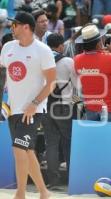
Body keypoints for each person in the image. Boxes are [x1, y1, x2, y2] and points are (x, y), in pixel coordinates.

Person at [1, 11, 56, 199]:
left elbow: (51, 83)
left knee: (18, 149)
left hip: (32, 110)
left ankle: (20, 194)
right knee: (28, 151)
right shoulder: (7, 46)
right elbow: (2, 75)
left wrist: (34, 104)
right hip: (13, 108)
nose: (11, 27)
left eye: (14, 24)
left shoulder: (43, 50)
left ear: (25, 26)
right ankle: (44, 192)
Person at [42, 33, 77, 190]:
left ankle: (52, 180)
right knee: (67, 141)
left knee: (51, 143)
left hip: (45, 105)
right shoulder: (68, 61)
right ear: (61, 45)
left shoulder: (42, 60)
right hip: (63, 106)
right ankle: (71, 179)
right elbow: (78, 85)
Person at [74, 24, 111, 121]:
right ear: (98, 43)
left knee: (94, 136)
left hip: (90, 107)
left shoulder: (77, 60)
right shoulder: (109, 58)